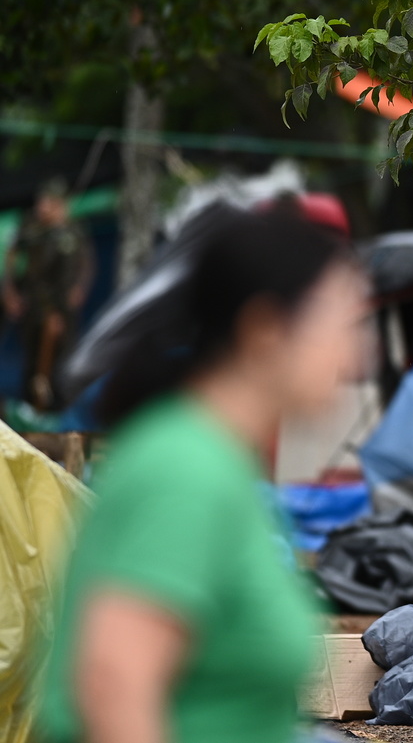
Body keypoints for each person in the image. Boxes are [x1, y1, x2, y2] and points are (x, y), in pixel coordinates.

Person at [34, 207, 368, 743]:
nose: (356, 357)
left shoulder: (223, 462)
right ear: (264, 330)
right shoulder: (183, 469)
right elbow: (112, 687)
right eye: (342, 326)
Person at [2, 179, 93, 411]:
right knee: (33, 361)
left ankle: (60, 412)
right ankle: (31, 408)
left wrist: (78, 289)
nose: (42, 207)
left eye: (49, 202)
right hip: (33, 302)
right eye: (40, 201)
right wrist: (10, 291)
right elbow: (12, 255)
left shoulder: (72, 230)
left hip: (62, 305)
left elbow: (86, 262)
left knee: (63, 362)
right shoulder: (30, 227)